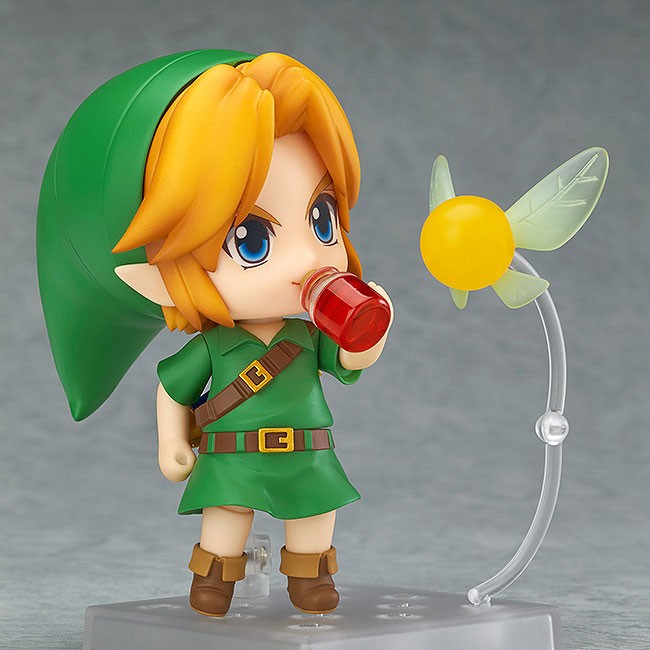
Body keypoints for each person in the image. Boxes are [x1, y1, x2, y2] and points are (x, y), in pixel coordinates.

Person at [38, 50, 392, 618]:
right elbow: (173, 389)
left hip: (307, 452)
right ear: (160, 273)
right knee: (226, 516)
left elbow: (352, 359)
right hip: (233, 454)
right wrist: (172, 442)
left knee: (315, 515)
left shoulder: (306, 337)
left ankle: (310, 578)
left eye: (321, 218)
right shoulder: (215, 346)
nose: (309, 258)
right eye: (251, 239)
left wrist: (372, 329)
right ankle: (214, 578)